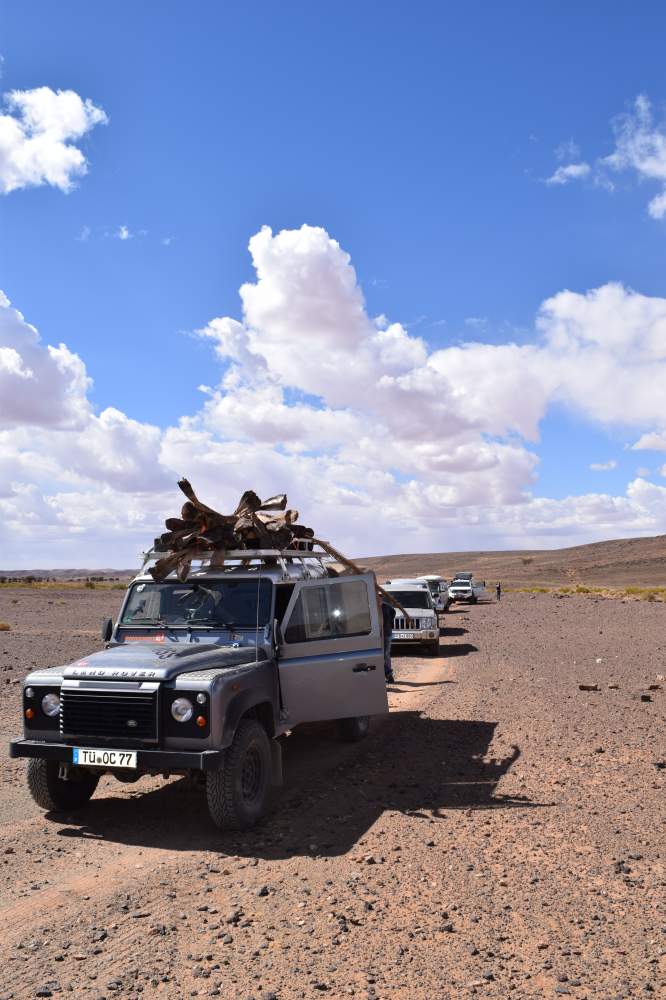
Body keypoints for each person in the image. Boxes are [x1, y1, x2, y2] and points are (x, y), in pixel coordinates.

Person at [380, 597, 396, 683]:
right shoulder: (374, 607)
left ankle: (389, 675)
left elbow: (393, 612)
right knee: (381, 655)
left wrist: (390, 623)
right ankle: (387, 675)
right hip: (379, 635)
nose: (379, 599)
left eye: (380, 597)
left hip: (386, 634)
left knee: (385, 654)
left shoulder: (386, 607)